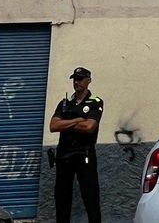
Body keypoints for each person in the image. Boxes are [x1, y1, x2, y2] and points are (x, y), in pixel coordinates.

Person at [49, 66, 104, 223]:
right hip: (64, 155)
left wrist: (65, 123)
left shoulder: (95, 102)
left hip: (84, 154)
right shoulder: (65, 103)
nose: (77, 82)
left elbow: (89, 127)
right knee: (62, 197)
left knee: (90, 196)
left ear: (89, 81)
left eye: (80, 79)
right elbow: (53, 126)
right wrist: (77, 120)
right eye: (75, 79)